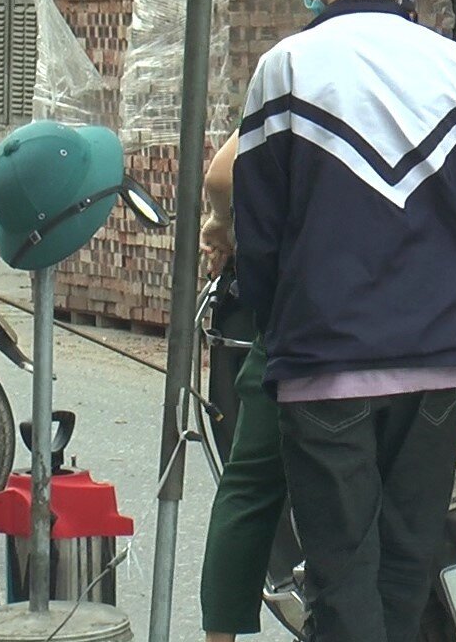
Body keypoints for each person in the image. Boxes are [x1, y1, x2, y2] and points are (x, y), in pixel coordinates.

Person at [233, 0, 456, 642]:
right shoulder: (455, 68)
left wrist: (278, 327)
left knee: (342, 580)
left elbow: (262, 238)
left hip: (327, 367)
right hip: (439, 364)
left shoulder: (286, 70)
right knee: (406, 574)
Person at [198, 133, 290, 642]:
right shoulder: (448, 72)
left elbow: (220, 175)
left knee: (250, 484)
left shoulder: (299, 64)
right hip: (445, 330)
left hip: (318, 321)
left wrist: (219, 221)